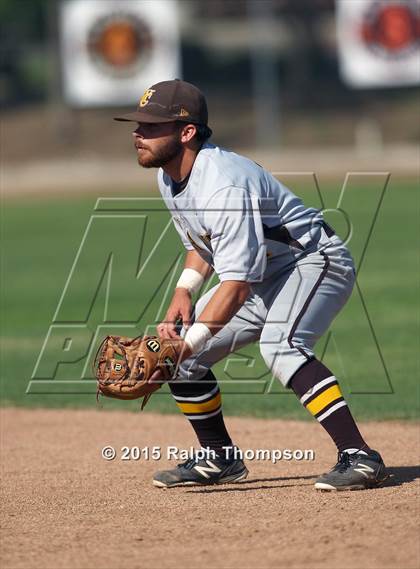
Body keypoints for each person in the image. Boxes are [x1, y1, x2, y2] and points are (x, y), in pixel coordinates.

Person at [114, 79, 387, 491]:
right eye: (138, 124)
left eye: (152, 126)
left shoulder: (223, 182)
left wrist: (186, 343)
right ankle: (219, 457)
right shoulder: (169, 176)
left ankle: (360, 456)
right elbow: (203, 245)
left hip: (313, 260)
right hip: (267, 270)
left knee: (278, 345)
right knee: (181, 358)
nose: (138, 133)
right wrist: (184, 290)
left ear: (187, 132)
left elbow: (237, 285)